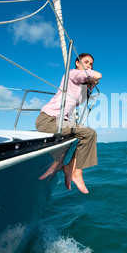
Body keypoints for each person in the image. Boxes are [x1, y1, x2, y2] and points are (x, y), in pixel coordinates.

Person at [36, 53, 102, 194]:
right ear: (77, 63)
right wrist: (92, 77)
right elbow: (98, 75)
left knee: (80, 136)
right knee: (89, 134)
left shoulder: (80, 84)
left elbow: (85, 91)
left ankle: (62, 165)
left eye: (91, 64)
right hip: (48, 119)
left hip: (60, 121)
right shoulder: (72, 74)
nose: (89, 65)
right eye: (86, 62)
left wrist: (89, 85)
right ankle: (76, 173)